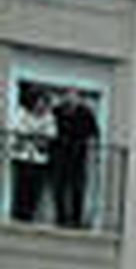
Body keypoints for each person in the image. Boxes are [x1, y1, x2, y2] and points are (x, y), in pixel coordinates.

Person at [49, 89, 98, 229]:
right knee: (59, 187)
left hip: (78, 155)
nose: (70, 99)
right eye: (68, 96)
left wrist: (90, 146)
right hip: (60, 155)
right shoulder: (57, 111)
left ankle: (76, 219)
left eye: (74, 96)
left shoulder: (86, 113)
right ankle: (61, 218)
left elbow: (94, 133)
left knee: (77, 188)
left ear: (78, 98)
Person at [10, 89, 55, 223]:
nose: (40, 106)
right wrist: (34, 135)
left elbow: (50, 135)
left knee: (34, 191)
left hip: (39, 160)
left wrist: (35, 135)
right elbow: (18, 130)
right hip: (22, 157)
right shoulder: (22, 113)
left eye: (43, 103)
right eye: (39, 102)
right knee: (20, 189)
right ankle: (17, 216)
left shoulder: (49, 118)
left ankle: (30, 216)